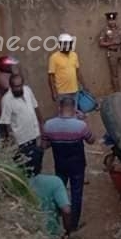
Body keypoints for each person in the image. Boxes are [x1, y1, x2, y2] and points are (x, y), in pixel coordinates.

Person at [42, 95, 96, 231]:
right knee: (76, 193)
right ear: (74, 109)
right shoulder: (80, 126)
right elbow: (91, 140)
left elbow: (45, 145)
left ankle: (56, 219)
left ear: (59, 108)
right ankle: (73, 225)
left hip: (60, 163)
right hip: (77, 164)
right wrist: (84, 120)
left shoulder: (49, 125)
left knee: (59, 190)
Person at [0, 74, 44, 175]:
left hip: (35, 136)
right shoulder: (6, 100)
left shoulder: (27, 90)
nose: (18, 89)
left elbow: (35, 106)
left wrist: (41, 124)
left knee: (38, 164)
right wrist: (12, 142)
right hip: (21, 141)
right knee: (26, 169)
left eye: (20, 85)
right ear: (10, 86)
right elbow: (6, 123)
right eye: (16, 86)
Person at [29, 168, 72, 239]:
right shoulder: (54, 182)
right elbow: (66, 211)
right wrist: (67, 231)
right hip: (51, 236)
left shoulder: (10, 183)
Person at [48, 33, 85, 103]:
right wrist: (53, 92)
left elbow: (78, 72)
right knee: (65, 113)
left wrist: (84, 85)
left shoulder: (74, 55)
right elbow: (50, 77)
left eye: (69, 43)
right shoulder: (53, 57)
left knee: (75, 110)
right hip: (62, 93)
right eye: (64, 43)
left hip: (75, 90)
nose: (67, 45)